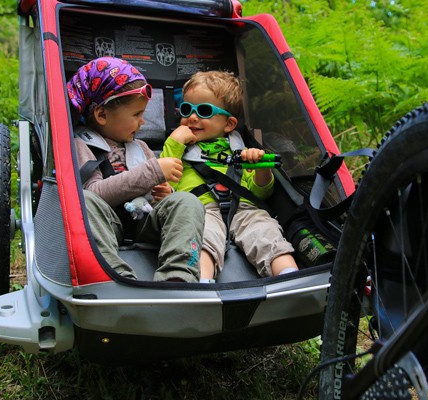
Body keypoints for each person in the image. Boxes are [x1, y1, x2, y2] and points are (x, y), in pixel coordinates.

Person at [67, 57, 204, 283]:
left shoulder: (140, 147)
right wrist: (153, 172)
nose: (142, 123)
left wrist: (165, 194)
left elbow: (157, 192)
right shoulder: (82, 144)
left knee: (187, 201)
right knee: (84, 200)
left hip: (145, 219)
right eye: (136, 115)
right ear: (102, 115)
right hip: (108, 222)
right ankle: (115, 277)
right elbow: (95, 193)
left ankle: (178, 276)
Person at [160, 70, 299, 282]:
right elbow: (164, 179)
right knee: (202, 238)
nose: (192, 117)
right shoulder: (178, 148)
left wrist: (261, 168)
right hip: (201, 210)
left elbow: (260, 192)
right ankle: (202, 283)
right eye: (187, 109)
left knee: (265, 230)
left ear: (229, 124)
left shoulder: (241, 149)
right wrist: (175, 142)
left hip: (243, 207)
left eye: (204, 111)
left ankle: (289, 277)